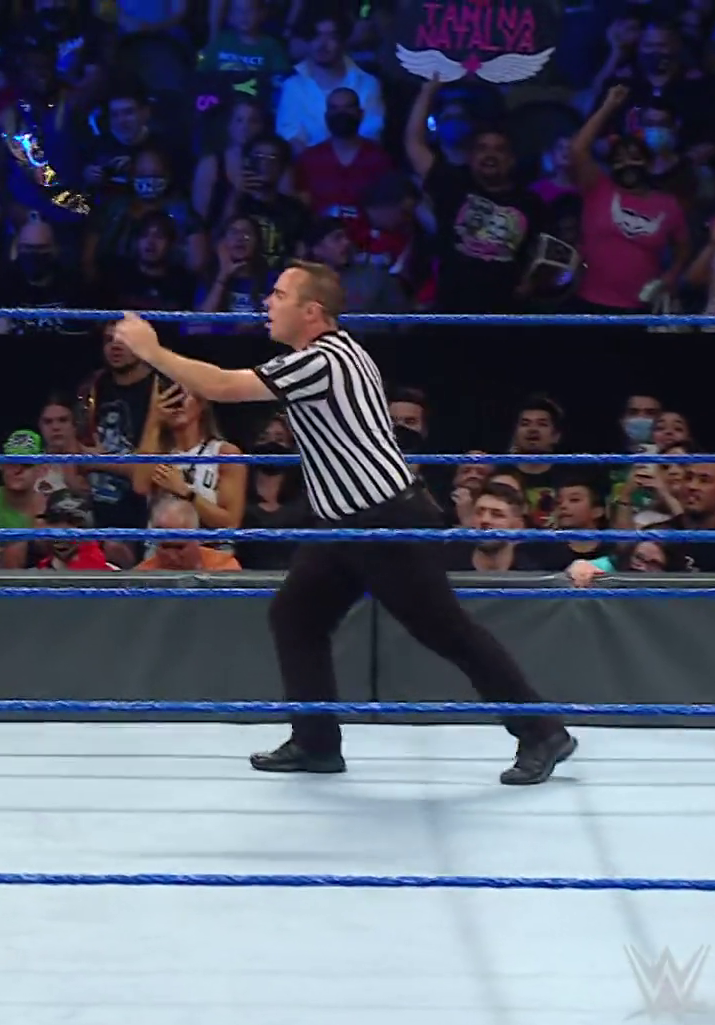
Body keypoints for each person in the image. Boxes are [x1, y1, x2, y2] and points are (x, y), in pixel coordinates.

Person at [108, 263, 577, 786]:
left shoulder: (323, 361)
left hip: (383, 521)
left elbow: (220, 386)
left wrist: (151, 349)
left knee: (448, 633)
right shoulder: (330, 354)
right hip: (343, 524)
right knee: (295, 616)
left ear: (311, 311)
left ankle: (542, 732)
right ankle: (316, 742)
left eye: (279, 294)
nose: (267, 302)